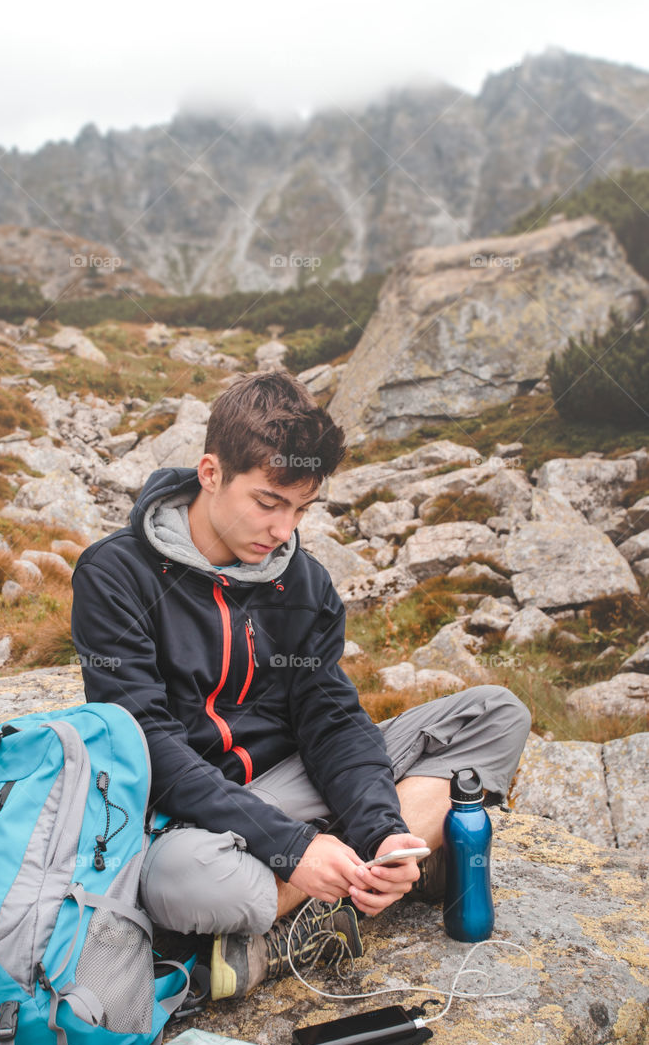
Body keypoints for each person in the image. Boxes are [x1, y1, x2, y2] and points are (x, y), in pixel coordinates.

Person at [71, 370, 531, 1000]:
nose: (283, 528)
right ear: (211, 473)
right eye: (268, 502)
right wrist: (292, 847)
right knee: (186, 884)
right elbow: (148, 743)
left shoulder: (305, 583)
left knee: (497, 713)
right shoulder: (115, 575)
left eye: (300, 508)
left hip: (300, 783)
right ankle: (370, 874)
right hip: (192, 819)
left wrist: (379, 826)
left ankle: (320, 900)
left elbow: (332, 718)